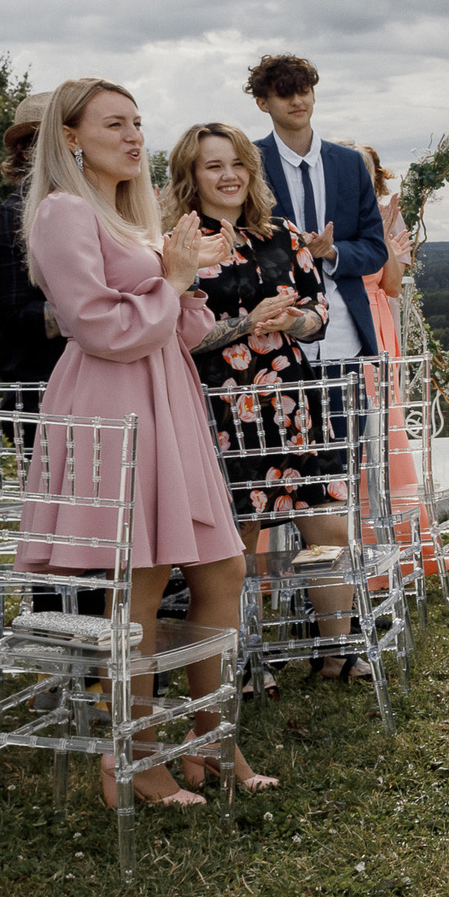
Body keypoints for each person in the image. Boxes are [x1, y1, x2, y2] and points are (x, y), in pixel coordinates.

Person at [16, 81, 272, 802]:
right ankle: (133, 756)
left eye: (136, 122)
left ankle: (210, 739)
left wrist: (184, 278)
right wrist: (173, 279)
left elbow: (182, 328)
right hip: (116, 399)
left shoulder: (131, 215)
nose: (133, 136)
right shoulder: (63, 212)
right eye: (114, 124)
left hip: (168, 396)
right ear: (71, 137)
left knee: (223, 567)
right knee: (145, 582)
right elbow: (96, 323)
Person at [169, 120, 366, 690]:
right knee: (239, 543)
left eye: (237, 163)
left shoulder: (283, 234)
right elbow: (174, 334)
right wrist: (245, 325)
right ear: (191, 175)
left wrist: (297, 322)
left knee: (327, 525)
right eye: (213, 165)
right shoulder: (179, 244)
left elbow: (319, 310)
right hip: (223, 409)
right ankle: (246, 662)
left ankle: (337, 652)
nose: (229, 175)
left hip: (295, 404)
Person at [246, 53, 388, 397]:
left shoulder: (350, 164)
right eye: (285, 93)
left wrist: (333, 251)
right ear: (262, 103)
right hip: (274, 338)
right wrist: (293, 251)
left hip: (344, 335)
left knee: (346, 432)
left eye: (304, 91)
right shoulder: (248, 162)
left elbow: (375, 249)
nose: (297, 101)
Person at [346, 142, 434, 573]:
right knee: (350, 432)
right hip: (342, 324)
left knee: (382, 431)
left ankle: (392, 546)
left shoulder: (380, 218)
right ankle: (347, 543)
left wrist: (381, 238)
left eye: (362, 170)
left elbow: (393, 284)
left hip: (378, 324)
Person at [0, 93, 64, 396]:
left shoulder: (104, 210)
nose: (73, 149)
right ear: (27, 151)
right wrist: (99, 307)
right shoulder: (10, 218)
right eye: (58, 140)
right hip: (42, 395)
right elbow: (14, 320)